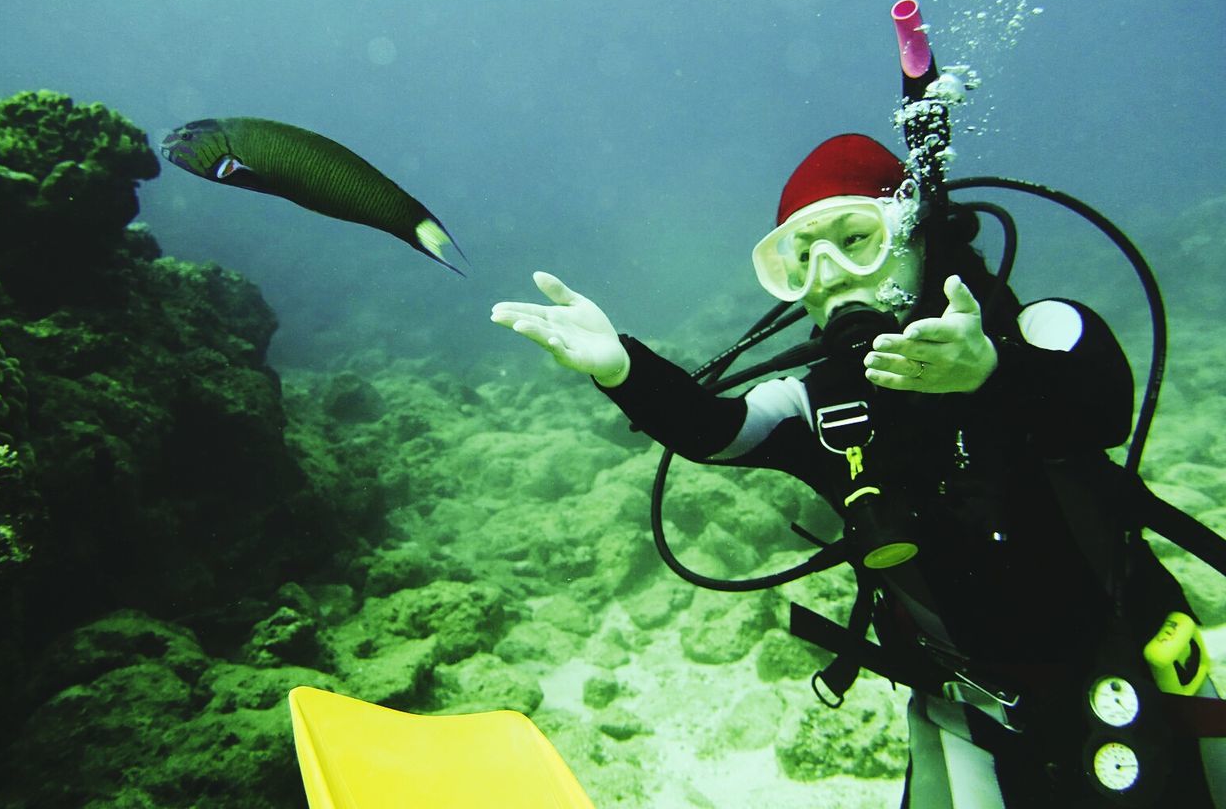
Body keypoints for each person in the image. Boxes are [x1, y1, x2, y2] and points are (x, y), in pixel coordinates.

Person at [491, 133, 1226, 807]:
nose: (829, 274)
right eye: (800, 258)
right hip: (964, 714)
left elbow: (1104, 405)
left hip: (1132, 674)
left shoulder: (1036, 333)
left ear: (919, 235)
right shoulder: (815, 404)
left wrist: (991, 373)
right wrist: (623, 369)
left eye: (857, 240)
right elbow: (715, 431)